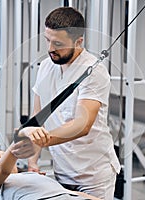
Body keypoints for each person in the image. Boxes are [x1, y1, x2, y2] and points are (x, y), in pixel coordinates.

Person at [20, 7, 121, 200]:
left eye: (57, 43)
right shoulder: (46, 67)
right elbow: (37, 119)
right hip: (61, 171)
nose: (50, 49)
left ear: (78, 41)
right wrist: (32, 162)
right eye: (47, 40)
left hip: (93, 175)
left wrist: (41, 139)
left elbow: (81, 125)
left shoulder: (94, 72)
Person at [0, 139, 100, 200]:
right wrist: (20, 139)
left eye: (5, 156)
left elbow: (65, 192)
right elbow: (2, 170)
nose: (4, 159)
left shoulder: (31, 175)